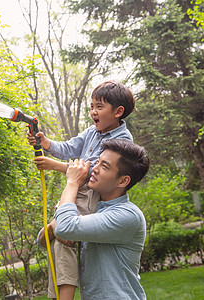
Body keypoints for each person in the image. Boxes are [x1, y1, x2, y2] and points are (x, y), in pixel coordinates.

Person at [31, 81, 135, 299]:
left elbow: (95, 173)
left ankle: (55, 230)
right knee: (58, 243)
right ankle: (57, 294)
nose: (93, 112)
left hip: (92, 196)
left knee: (64, 237)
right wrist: (46, 142)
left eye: (99, 107)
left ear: (118, 112)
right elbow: (70, 148)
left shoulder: (122, 140)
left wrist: (55, 166)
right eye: (91, 107)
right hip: (77, 190)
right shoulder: (92, 131)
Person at [53, 139, 150, 300]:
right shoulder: (94, 209)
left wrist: (72, 182)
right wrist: (52, 228)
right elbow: (43, 238)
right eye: (97, 162)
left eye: (104, 166)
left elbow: (65, 227)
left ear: (123, 180)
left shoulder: (127, 215)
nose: (94, 169)